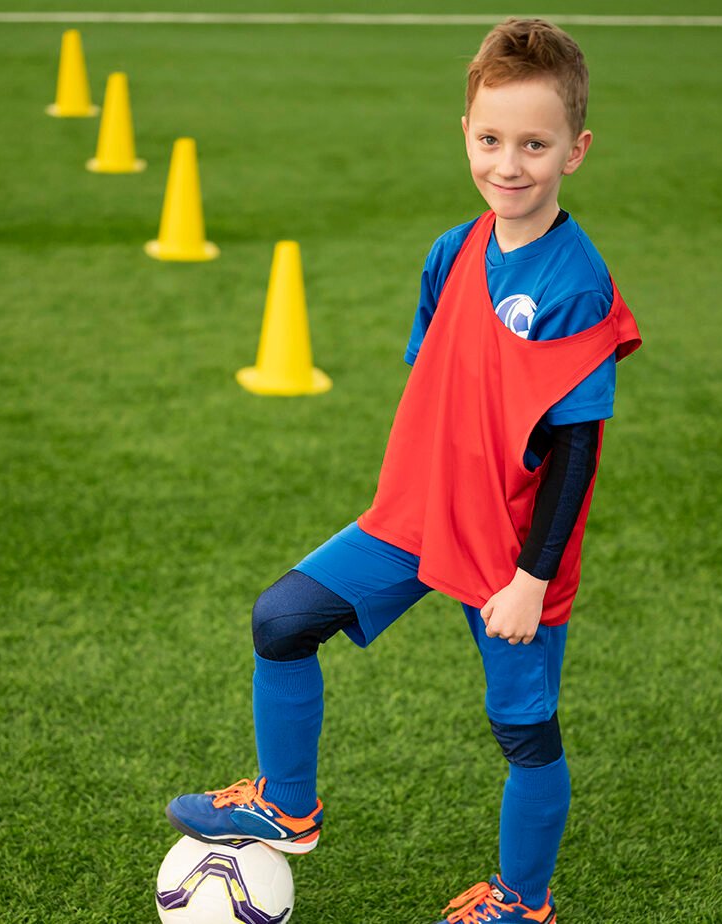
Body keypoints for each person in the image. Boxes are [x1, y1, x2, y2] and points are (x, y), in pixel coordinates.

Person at [167, 18, 641, 923]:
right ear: (465, 132)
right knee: (283, 618)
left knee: (523, 733)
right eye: (491, 140)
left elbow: (578, 449)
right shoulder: (454, 250)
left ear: (575, 151)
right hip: (417, 517)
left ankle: (523, 902)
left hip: (510, 555)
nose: (510, 163)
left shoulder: (578, 282)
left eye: (534, 145)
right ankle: (288, 805)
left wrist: (531, 581)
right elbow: (441, 381)